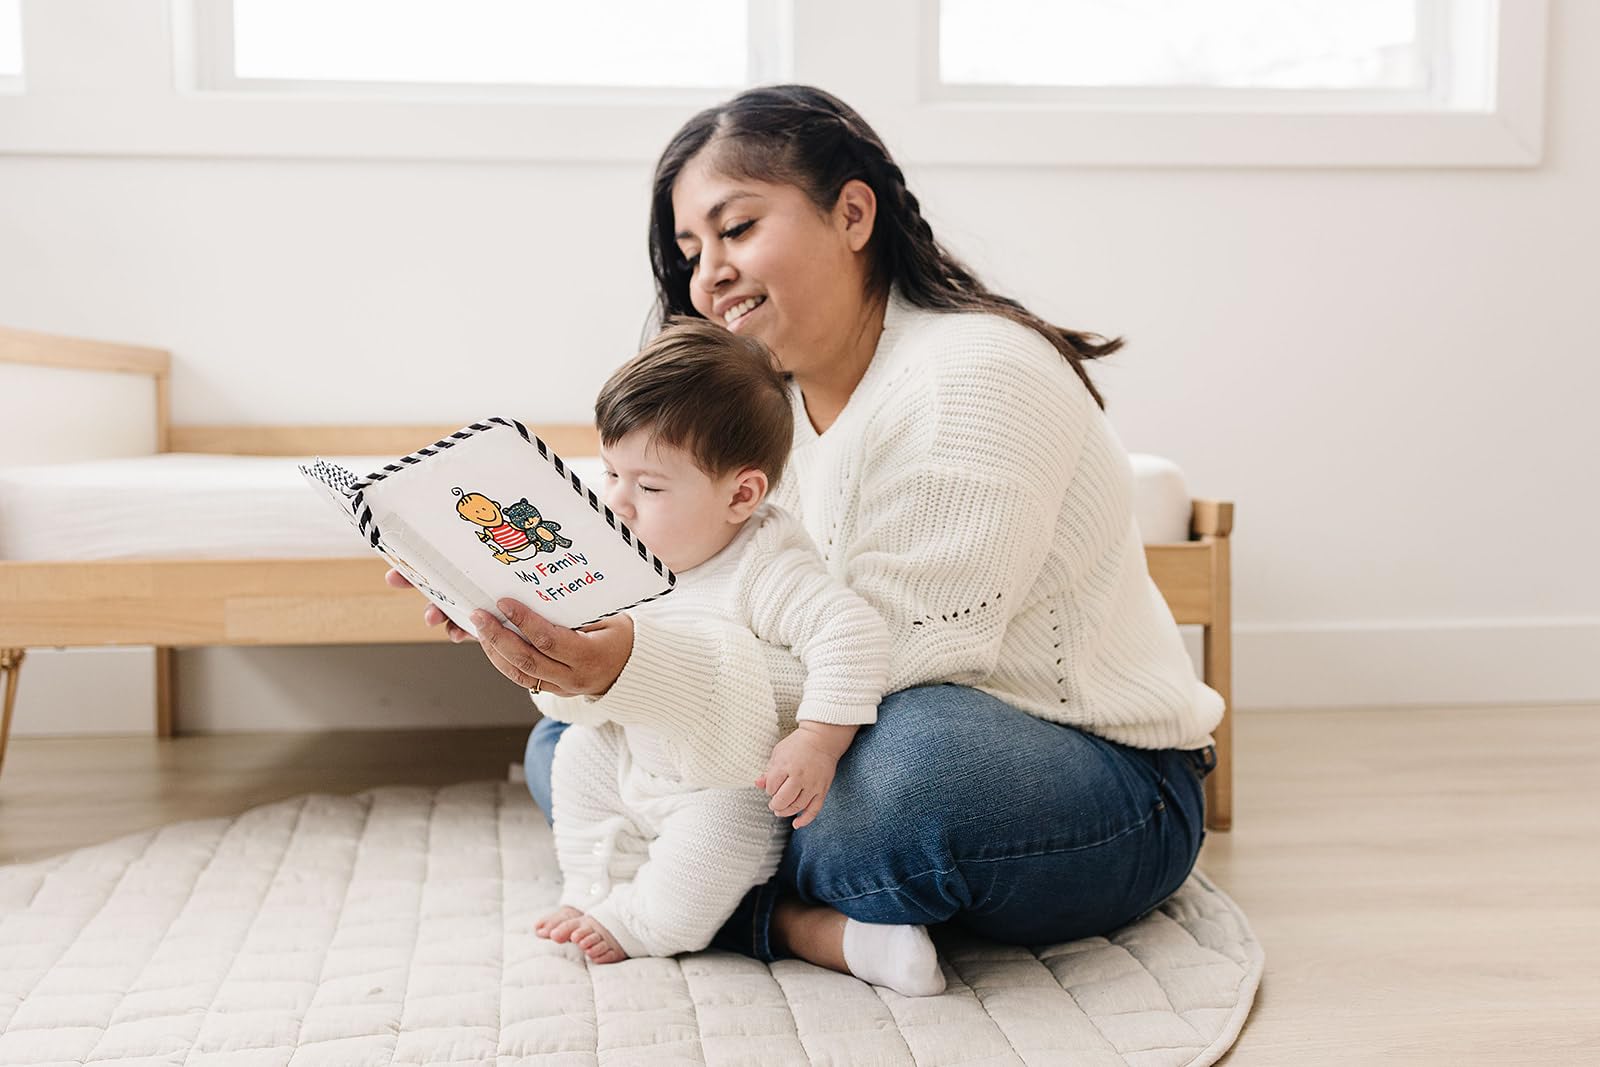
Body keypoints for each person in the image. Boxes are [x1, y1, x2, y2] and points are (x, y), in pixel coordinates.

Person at [387, 84, 1222, 994]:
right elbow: (698, 604)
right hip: (818, 731)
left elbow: (882, 664)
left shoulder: (975, 378)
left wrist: (632, 669)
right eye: (690, 250)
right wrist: (540, 619)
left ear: (852, 214)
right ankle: (786, 913)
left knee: (902, 775)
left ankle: (745, 910)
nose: (708, 274)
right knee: (571, 745)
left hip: (1086, 770)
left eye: (737, 228)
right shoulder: (752, 416)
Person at [530, 320, 931, 987]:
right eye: (611, 473)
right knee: (574, 753)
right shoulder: (630, 552)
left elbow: (850, 633)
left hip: (724, 782)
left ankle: (644, 922)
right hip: (641, 754)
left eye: (648, 486)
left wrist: (817, 740)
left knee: (715, 840)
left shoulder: (764, 566)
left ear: (741, 495)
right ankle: (592, 886)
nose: (617, 502)